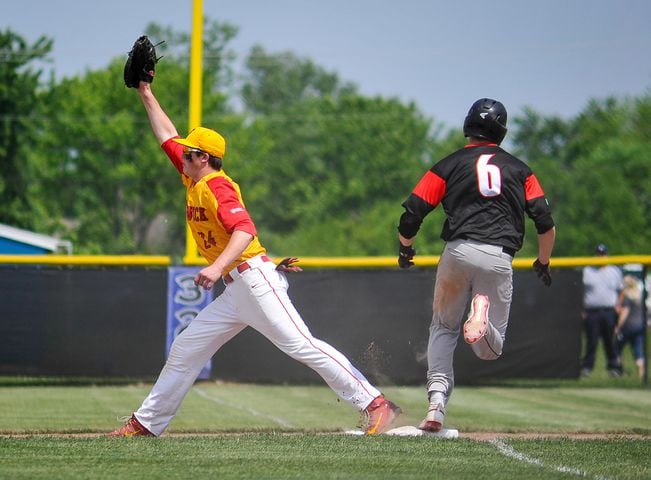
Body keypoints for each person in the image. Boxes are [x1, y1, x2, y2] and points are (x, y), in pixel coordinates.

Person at [109, 78, 400, 437]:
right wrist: (145, 93)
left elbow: (245, 229)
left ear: (204, 158)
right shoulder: (194, 180)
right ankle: (145, 424)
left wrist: (215, 267)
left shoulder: (216, 185)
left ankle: (375, 403)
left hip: (254, 278)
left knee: (301, 345)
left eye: (188, 153)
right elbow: (166, 135)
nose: (180, 155)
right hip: (236, 291)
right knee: (186, 347)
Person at [396, 98, 556, 432]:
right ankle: (480, 318)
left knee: (442, 327)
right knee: (488, 351)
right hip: (498, 257)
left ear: (468, 125)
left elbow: (413, 211)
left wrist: (406, 248)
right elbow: (544, 221)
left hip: (457, 251)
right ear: (502, 131)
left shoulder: (449, 164)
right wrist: (543, 261)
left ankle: (436, 406)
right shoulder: (520, 169)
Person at [580, 243, 623, 377]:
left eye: (603, 254)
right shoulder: (588, 271)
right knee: (591, 341)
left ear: (607, 255)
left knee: (609, 341)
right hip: (592, 311)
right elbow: (580, 291)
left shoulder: (614, 271)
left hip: (609, 311)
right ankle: (587, 367)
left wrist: (618, 305)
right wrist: (581, 308)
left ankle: (614, 367)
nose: (600, 256)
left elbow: (621, 290)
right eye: (598, 254)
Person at [614, 275, 646, 379]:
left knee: (617, 348)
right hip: (639, 326)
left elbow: (625, 313)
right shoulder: (639, 296)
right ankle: (641, 375)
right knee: (638, 350)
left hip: (628, 327)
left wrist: (618, 327)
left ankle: (618, 370)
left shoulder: (626, 296)